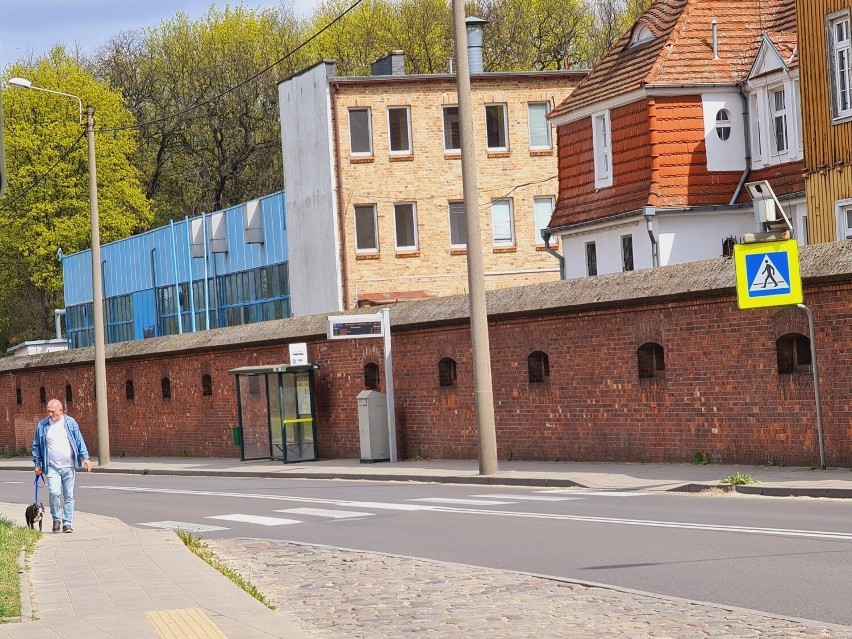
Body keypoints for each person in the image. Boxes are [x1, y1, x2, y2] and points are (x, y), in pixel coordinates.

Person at [32, 399, 92, 533]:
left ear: (61, 410)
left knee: (69, 495)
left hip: (69, 466)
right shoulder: (42, 425)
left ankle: (67, 523)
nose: (50, 414)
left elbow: (79, 441)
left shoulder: (70, 423)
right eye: (48, 411)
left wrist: (86, 458)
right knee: (54, 492)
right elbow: (36, 445)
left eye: (53, 412)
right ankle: (56, 519)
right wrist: (37, 463)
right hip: (52, 466)